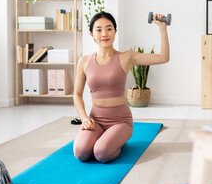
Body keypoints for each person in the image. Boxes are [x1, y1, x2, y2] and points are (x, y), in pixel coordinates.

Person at [73, 11, 170, 163]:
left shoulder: (126, 57)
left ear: (115, 32)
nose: (104, 33)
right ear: (92, 34)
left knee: (101, 153)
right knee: (81, 153)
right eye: (99, 30)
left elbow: (163, 57)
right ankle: (105, 138)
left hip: (120, 121)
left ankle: (117, 140)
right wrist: (84, 118)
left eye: (109, 28)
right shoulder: (84, 61)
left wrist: (162, 28)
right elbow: (77, 94)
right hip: (95, 119)